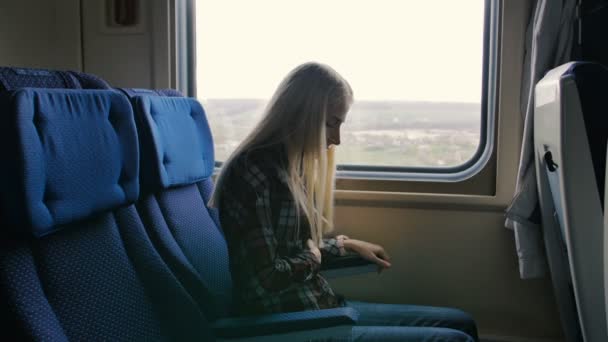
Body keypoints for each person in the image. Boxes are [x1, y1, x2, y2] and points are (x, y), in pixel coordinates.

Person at [209, 62, 478, 341]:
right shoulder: (254, 172)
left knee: (462, 323)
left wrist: (342, 244)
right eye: (331, 123)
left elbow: (288, 250)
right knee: (455, 339)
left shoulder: (286, 165)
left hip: (317, 303)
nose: (336, 139)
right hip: (291, 323)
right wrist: (314, 257)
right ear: (303, 115)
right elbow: (264, 279)